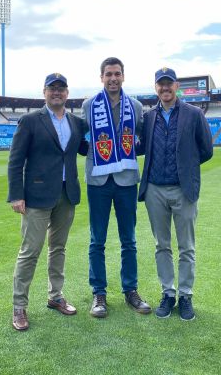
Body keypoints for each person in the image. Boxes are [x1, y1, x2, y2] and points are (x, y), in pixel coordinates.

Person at [8, 73, 87, 331]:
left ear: (67, 93)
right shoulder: (30, 120)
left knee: (59, 248)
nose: (57, 92)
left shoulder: (76, 122)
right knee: (30, 251)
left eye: (61, 89)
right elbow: (16, 159)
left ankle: (55, 297)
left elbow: (88, 147)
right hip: (36, 196)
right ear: (44, 92)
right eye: (52, 88)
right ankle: (19, 306)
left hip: (67, 194)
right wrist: (16, 195)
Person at [138, 67, 213, 321]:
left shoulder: (193, 114)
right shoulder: (148, 118)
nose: (165, 88)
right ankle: (168, 294)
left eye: (169, 84)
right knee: (162, 246)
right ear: (156, 87)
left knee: (186, 247)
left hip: (184, 189)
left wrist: (186, 169)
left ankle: (186, 296)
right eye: (161, 84)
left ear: (176, 86)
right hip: (155, 190)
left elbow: (206, 150)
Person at [81, 57, 151, 318]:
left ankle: (130, 290)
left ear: (123, 76)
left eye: (117, 74)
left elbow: (143, 138)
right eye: (108, 74)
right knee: (96, 240)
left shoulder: (136, 106)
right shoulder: (89, 105)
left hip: (125, 180)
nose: (113, 78)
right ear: (101, 77)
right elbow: (80, 138)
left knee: (129, 240)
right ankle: (99, 293)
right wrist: (95, 154)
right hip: (98, 180)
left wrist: (128, 151)